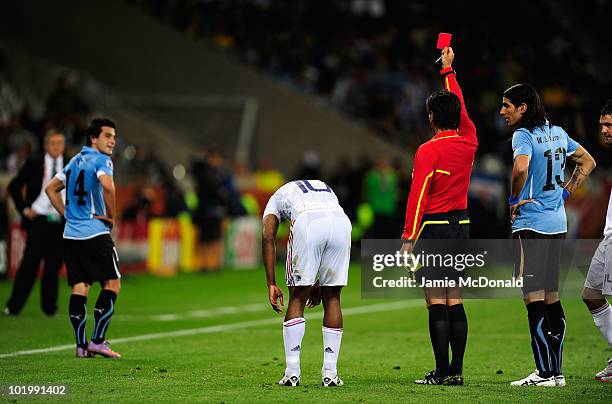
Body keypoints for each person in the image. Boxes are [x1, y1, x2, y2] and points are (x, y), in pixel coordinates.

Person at [500, 84, 596, 386]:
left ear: (523, 108)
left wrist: (514, 201)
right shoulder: (556, 132)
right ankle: (556, 372)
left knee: (533, 298)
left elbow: (521, 167)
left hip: (531, 224)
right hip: (557, 223)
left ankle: (543, 372)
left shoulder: (523, 136)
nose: (503, 111)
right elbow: (588, 162)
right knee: (552, 297)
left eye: (507, 106)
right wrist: (565, 193)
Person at [400, 47, 477, 386]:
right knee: (454, 298)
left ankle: (441, 371)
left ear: (431, 116)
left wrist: (407, 237)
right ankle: (456, 372)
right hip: (461, 226)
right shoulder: (469, 141)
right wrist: (449, 71)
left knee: (435, 301)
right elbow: (458, 104)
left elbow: (417, 198)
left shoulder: (427, 151)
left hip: (432, 228)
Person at [262, 180, 351, 387]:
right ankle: (330, 373)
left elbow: (268, 237)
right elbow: (328, 226)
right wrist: (319, 282)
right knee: (333, 297)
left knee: (297, 297)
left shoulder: (276, 198)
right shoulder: (322, 187)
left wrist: (271, 283)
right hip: (341, 222)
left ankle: (292, 373)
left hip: (309, 221)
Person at [45, 118, 122, 359]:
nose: (112, 141)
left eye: (114, 137)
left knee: (80, 287)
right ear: (93, 138)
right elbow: (108, 186)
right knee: (112, 284)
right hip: (95, 233)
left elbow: (50, 188)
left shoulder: (74, 161)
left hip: (70, 235)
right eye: (107, 136)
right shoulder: (102, 161)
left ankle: (81, 346)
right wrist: (111, 215)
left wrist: (66, 214)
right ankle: (97, 341)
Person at [4, 129, 66, 316]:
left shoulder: (72, 163)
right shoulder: (34, 162)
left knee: (53, 266)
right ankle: (13, 306)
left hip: (60, 221)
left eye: (59, 143)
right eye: (52, 143)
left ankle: (49, 308)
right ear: (46, 145)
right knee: (29, 264)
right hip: (38, 220)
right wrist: (24, 208)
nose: (55, 147)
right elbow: (14, 186)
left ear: (63, 146)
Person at [581, 99, 612, 383]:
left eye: (609, 124)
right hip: (608, 238)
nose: (603, 129)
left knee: (592, 294)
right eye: (602, 124)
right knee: (591, 294)